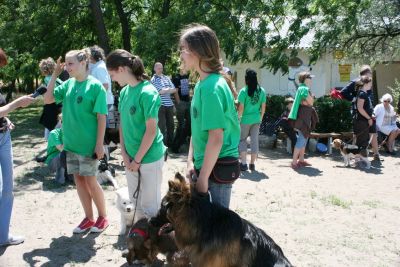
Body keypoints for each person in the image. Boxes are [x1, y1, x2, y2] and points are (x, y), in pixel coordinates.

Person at [43, 50, 109, 234]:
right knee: (79, 181)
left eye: (70, 63)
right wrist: (55, 73)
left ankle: (103, 216)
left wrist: (98, 144)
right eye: (65, 63)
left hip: (88, 146)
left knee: (91, 181)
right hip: (70, 144)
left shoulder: (95, 87)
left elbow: (102, 117)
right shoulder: (67, 84)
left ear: (83, 62)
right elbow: (47, 98)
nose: (67, 67)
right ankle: (89, 218)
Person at [180, 24, 240, 208]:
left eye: (183, 49)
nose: (180, 54)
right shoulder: (201, 84)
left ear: (198, 52)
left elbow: (216, 138)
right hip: (205, 165)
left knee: (216, 233)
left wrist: (204, 177)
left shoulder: (211, 88)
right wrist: (190, 161)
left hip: (216, 168)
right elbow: (198, 131)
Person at [106, 49, 166, 221]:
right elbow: (123, 125)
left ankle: (152, 244)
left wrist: (137, 159)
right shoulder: (124, 92)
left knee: (150, 205)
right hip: (130, 159)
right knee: (135, 202)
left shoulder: (148, 92)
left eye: (112, 74)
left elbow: (151, 130)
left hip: (149, 157)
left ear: (122, 69)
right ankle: (140, 243)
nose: (112, 78)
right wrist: (124, 155)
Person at [0, 48, 35, 246]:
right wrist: (17, 103)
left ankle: (2, 236)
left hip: (4, 137)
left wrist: (7, 119)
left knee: (7, 188)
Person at [341, 65, 382, 161]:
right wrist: (354, 99)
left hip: (369, 112)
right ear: (366, 73)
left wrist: (372, 112)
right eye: (370, 72)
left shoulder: (368, 82)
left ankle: (376, 154)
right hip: (360, 114)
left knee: (373, 133)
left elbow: (369, 97)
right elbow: (343, 92)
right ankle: (355, 154)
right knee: (358, 134)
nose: (371, 74)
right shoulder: (356, 82)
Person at [88, 45, 115, 159]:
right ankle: (105, 157)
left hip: (104, 103)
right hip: (104, 103)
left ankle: (104, 160)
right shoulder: (96, 67)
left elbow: (105, 85)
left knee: (103, 133)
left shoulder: (100, 68)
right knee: (103, 133)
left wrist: (93, 98)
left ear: (93, 55)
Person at [237, 69, 266, 171]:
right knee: (254, 141)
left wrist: (238, 118)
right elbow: (263, 108)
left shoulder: (243, 91)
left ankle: (244, 163)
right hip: (256, 119)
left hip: (245, 120)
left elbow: (241, 108)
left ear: (246, 79)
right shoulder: (262, 91)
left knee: (242, 140)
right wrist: (260, 118)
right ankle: (252, 164)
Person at [288, 71, 316, 169]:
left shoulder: (303, 88)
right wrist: (311, 99)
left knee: (304, 139)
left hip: (304, 117)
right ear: (305, 79)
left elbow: (308, 102)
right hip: (302, 118)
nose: (311, 80)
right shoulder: (304, 88)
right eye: (310, 78)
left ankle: (301, 160)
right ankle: (294, 162)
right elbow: (311, 102)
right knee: (301, 140)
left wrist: (309, 100)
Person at [151, 62, 176, 147]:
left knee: (171, 125)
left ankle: (171, 145)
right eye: (158, 68)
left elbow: (174, 89)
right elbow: (159, 91)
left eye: (161, 68)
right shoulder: (153, 79)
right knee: (162, 126)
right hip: (160, 105)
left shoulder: (166, 78)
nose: (160, 70)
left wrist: (166, 90)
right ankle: (162, 146)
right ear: (154, 69)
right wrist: (167, 90)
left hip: (169, 104)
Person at [38, 57, 63, 141]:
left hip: (52, 110)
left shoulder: (47, 80)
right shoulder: (59, 80)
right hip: (61, 109)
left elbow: (49, 96)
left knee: (50, 137)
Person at [353, 75, 374, 163]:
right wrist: (369, 118)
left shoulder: (364, 93)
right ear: (366, 83)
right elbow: (360, 108)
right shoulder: (362, 93)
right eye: (370, 83)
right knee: (362, 141)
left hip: (363, 121)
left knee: (362, 141)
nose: (371, 84)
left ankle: (358, 159)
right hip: (361, 121)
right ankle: (359, 160)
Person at [170, 68, 191, 153]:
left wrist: (189, 100)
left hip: (187, 102)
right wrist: (178, 103)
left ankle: (184, 142)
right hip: (180, 103)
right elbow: (175, 92)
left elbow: (188, 90)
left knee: (189, 123)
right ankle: (175, 146)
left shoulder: (186, 77)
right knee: (181, 125)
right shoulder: (176, 78)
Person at [45, 114, 67, 184]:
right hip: (52, 162)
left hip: (67, 160)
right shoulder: (54, 133)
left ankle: (70, 177)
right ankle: (59, 180)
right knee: (62, 155)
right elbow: (62, 149)